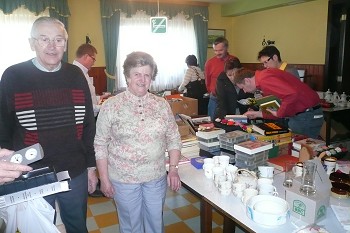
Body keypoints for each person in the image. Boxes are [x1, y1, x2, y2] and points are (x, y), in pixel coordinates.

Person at [0, 17, 97, 233]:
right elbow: (3, 129)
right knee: (39, 229)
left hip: (75, 171)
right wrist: (7, 170)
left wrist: (91, 167)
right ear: (31, 43)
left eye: (59, 40)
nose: (52, 46)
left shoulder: (76, 75)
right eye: (44, 39)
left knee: (78, 226)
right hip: (32, 174)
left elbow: (89, 125)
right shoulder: (13, 76)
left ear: (65, 43)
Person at [94, 51, 182, 233]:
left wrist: (173, 169)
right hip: (123, 179)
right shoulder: (111, 105)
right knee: (131, 226)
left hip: (156, 177)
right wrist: (104, 178)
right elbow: (100, 144)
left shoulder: (161, 104)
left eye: (147, 75)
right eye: (137, 74)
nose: (142, 79)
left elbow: (173, 137)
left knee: (155, 223)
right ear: (127, 76)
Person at [233, 68, 323, 138]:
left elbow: (291, 94)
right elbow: (276, 108)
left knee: (301, 150)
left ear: (247, 80)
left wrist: (279, 113)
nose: (244, 91)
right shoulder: (263, 79)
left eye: (243, 87)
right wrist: (258, 114)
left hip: (306, 115)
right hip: (300, 115)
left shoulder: (264, 79)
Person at [73, 44, 110, 117]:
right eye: (93, 59)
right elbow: (82, 105)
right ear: (86, 56)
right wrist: (105, 107)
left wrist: (100, 97)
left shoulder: (83, 72)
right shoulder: (75, 74)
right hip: (84, 119)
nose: (94, 63)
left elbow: (87, 97)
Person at [205, 37, 237, 121]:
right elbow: (207, 80)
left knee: (229, 122)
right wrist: (211, 91)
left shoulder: (234, 60)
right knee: (211, 121)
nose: (217, 53)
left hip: (229, 98)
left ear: (226, 48)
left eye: (220, 50)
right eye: (215, 50)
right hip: (214, 97)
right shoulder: (210, 63)